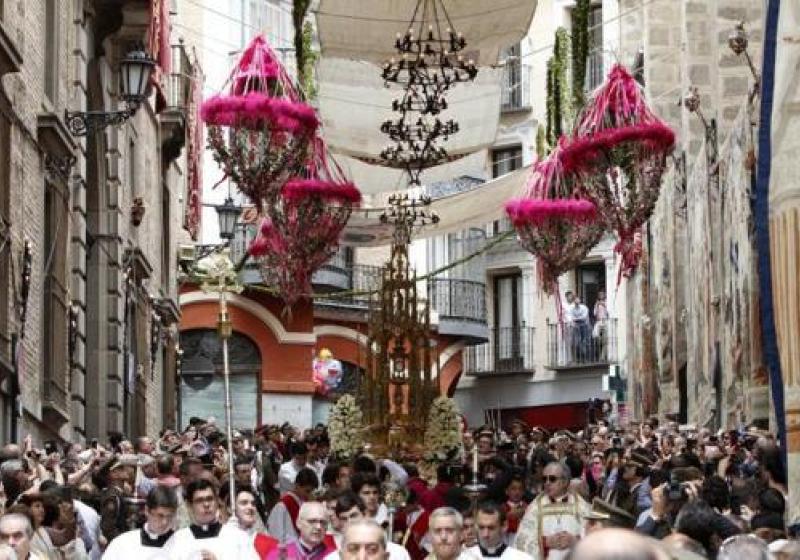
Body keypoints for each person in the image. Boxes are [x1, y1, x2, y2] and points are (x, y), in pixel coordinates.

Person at [163, 479, 258, 560]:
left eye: (209, 499)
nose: (206, 505)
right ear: (189, 506)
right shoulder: (177, 541)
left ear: (217, 501)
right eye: (199, 500)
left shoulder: (238, 537)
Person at [514, 462, 591, 560]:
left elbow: (593, 537)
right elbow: (522, 539)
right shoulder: (536, 506)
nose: (547, 483)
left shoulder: (580, 506)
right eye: (544, 479)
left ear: (565, 482)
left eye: (552, 479)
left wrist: (575, 540)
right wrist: (544, 542)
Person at [326, 493, 409, 560]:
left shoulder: (398, 553)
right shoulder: (332, 558)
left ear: (365, 514)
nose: (349, 522)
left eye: (353, 516)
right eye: (344, 519)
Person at [101, 486, 177, 559]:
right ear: (147, 511)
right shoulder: (123, 543)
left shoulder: (182, 546)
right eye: (160, 516)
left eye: (169, 516)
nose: (165, 522)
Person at [266, 502, 336, 560]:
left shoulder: (335, 556)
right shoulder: (278, 555)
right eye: (312, 521)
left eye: (323, 522)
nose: (318, 527)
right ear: (298, 523)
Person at [268, 468, 319, 544]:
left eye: (312, 491)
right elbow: (276, 534)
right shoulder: (283, 505)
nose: (309, 495)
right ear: (297, 485)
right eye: (307, 491)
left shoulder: (306, 503)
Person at [465, 502, 531, 560]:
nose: (485, 534)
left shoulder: (521, 558)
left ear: (504, 526)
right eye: (481, 527)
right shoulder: (464, 557)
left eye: (491, 528)